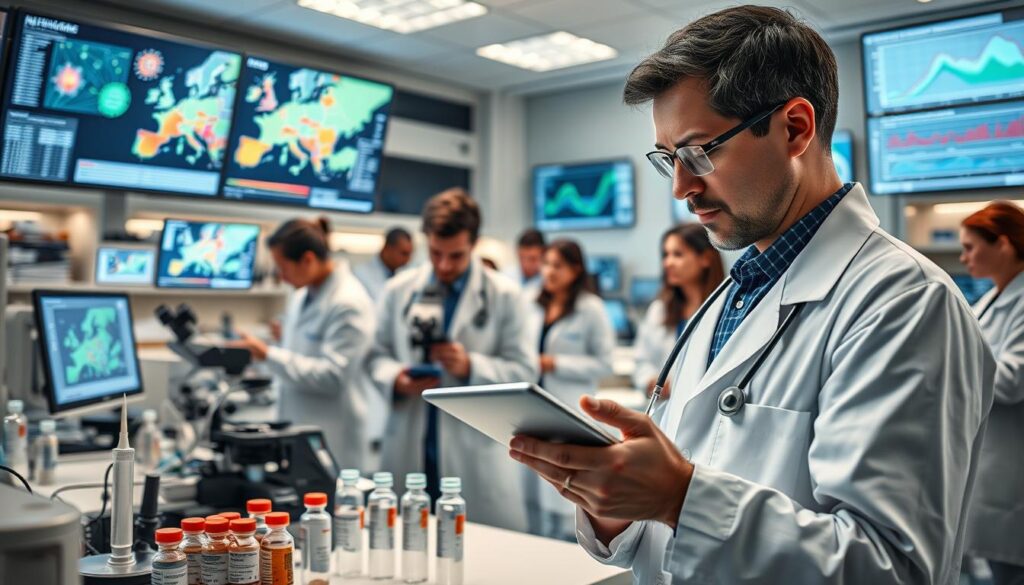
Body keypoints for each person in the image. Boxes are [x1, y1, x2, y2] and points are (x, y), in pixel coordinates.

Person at [508, 6, 995, 583]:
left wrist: (681, 497)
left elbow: (890, 567)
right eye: (669, 160)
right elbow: (670, 522)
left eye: (698, 153)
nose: (683, 188)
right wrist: (613, 504)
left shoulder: (905, 303)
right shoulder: (732, 294)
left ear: (794, 128)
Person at [367, 188, 538, 531]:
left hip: (473, 450)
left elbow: (524, 371)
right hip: (411, 440)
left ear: (474, 244)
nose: (444, 265)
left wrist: (470, 366)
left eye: (455, 256)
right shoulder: (399, 289)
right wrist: (396, 378)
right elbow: (374, 357)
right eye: (435, 253)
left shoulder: (505, 295)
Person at [232, 218, 380, 470]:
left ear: (308, 260)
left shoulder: (348, 302)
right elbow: (302, 354)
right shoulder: (302, 296)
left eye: (283, 267)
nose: (280, 276)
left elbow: (333, 376)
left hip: (333, 435)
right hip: (299, 426)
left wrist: (268, 354)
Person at [524, 238, 616, 541]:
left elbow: (604, 364)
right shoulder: (531, 303)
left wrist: (556, 363)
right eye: (546, 264)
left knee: (565, 497)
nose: (548, 272)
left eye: (557, 266)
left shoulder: (591, 309)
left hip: (569, 409)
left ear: (576, 270)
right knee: (532, 498)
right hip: (531, 408)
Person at [960, 201, 1024, 585]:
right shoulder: (989, 301)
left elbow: (1012, 381)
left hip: (1011, 470)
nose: (965, 257)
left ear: (1002, 243)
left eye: (970, 247)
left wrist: (950, 365)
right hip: (988, 465)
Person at [632, 224, 724, 399]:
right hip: (662, 410)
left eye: (678, 254)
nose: (668, 263)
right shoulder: (660, 310)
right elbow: (642, 361)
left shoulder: (724, 308)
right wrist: (651, 381)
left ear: (706, 258)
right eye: (665, 255)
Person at [354, 227, 414, 298]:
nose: (408, 259)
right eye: (404, 253)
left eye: (410, 254)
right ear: (387, 249)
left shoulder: (404, 275)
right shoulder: (361, 275)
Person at [509, 228, 546, 297]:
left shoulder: (548, 281)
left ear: (544, 256)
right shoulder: (506, 276)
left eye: (532, 259)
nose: (525, 265)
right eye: (521, 258)